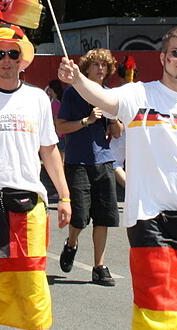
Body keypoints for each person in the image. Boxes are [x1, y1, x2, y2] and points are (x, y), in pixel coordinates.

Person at [58, 26, 177, 330]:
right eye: (176, 53)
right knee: (157, 312)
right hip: (149, 220)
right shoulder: (139, 94)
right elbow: (105, 100)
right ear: (163, 57)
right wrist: (78, 79)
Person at [0, 23, 71, 330]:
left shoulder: (37, 99)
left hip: (28, 204)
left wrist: (64, 196)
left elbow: (49, 150)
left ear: (22, 58)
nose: (6, 60)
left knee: (32, 283)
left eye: (12, 54)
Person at [54, 48, 121, 286]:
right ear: (87, 68)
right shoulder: (73, 93)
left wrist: (113, 118)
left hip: (103, 161)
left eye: (104, 65)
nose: (101, 69)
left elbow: (117, 132)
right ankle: (71, 244)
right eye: (96, 65)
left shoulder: (109, 95)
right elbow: (60, 127)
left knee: (104, 217)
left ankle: (99, 266)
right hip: (78, 161)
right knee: (80, 216)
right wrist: (87, 121)